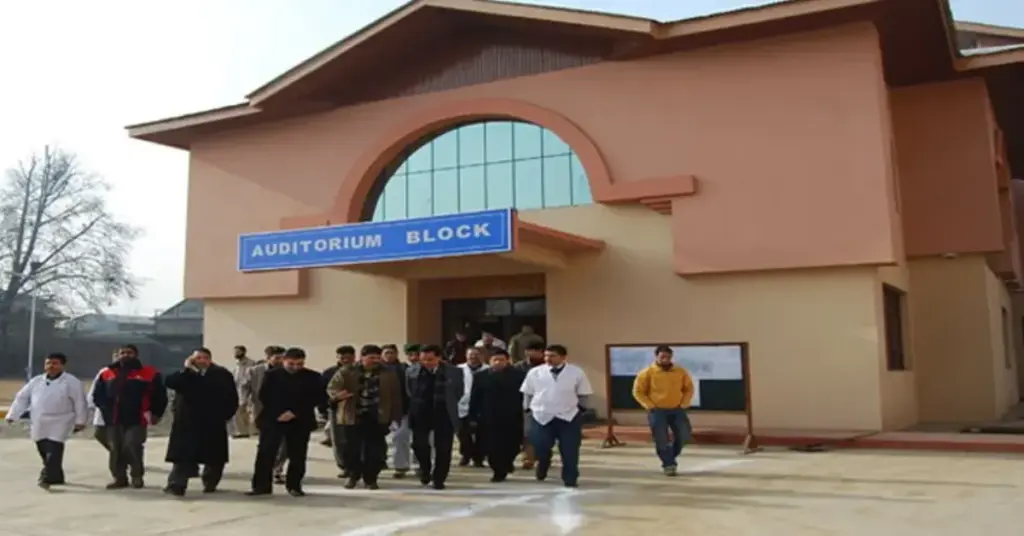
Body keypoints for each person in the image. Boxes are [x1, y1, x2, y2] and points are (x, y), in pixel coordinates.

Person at [248, 347, 326, 497]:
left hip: (300, 419)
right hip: (273, 418)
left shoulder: (313, 377)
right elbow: (264, 396)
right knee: (266, 453)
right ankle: (261, 486)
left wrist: (294, 413)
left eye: (299, 364)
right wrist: (279, 412)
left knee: (297, 454)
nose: (295, 367)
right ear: (283, 361)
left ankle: (294, 486)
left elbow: (317, 397)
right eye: (291, 364)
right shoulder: (271, 375)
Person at [92, 344, 168, 490]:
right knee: (115, 449)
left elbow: (160, 396)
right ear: (118, 355)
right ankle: (119, 478)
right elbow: (98, 394)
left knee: (132, 445)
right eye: (123, 353)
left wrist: (156, 413)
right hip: (113, 419)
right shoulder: (107, 373)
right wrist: (105, 409)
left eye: (129, 353)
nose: (126, 355)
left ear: (136, 355)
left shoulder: (149, 373)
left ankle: (137, 476)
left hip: (137, 418)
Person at [6, 353, 87, 489]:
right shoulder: (36, 381)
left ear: (62, 365)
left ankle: (46, 477)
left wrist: (81, 420)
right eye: (48, 363)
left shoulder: (72, 382)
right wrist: (12, 415)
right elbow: (22, 398)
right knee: (43, 448)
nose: (51, 366)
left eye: (55, 363)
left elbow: (80, 402)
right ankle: (56, 476)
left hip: (61, 420)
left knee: (54, 449)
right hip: (39, 420)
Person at [328, 344, 404, 490]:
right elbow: (332, 387)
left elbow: (395, 396)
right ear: (362, 357)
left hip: (377, 416)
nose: (375, 360)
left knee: (375, 450)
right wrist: (338, 395)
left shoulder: (388, 373)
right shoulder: (347, 370)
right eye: (371, 358)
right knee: (350, 449)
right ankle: (352, 475)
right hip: (352, 416)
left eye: (377, 357)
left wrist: (395, 416)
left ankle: (371, 479)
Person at [521, 344, 593, 488]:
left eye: (553, 356)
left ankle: (570, 478)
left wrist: (580, 409)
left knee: (569, 449)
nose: (548, 359)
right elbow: (527, 393)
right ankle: (543, 464)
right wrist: (528, 409)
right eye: (546, 355)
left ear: (563, 357)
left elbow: (584, 393)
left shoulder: (576, 372)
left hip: (568, 416)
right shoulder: (535, 372)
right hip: (541, 415)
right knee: (540, 446)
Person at [406, 344, 463, 490]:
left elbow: (458, 392)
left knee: (443, 449)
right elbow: (409, 391)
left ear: (439, 357)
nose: (426, 363)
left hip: (444, 413)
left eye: (430, 359)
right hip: (420, 412)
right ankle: (424, 469)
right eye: (423, 359)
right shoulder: (412, 371)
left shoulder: (454, 372)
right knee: (419, 446)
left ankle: (439, 479)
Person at [632, 345, 695, 476]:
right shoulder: (647, 373)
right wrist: (649, 405)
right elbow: (638, 391)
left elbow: (689, 388)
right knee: (661, 438)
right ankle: (669, 464)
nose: (665, 359)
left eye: (668, 357)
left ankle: (670, 455)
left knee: (684, 434)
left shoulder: (680, 371)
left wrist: (684, 403)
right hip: (657, 410)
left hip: (677, 409)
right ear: (657, 357)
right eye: (662, 357)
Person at [468, 349, 525, 482]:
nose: (498, 362)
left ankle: (507, 462)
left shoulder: (519, 375)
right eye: (495, 360)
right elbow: (475, 397)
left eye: (502, 360)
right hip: (489, 417)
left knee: (512, 445)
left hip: (512, 416)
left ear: (508, 361)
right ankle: (498, 470)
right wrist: (473, 416)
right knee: (491, 446)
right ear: (489, 361)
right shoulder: (480, 376)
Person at [246, 345, 288, 483]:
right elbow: (245, 388)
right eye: (277, 358)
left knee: (283, 443)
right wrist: (247, 405)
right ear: (268, 358)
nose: (280, 361)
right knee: (265, 443)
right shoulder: (255, 371)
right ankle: (265, 470)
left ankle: (277, 470)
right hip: (261, 411)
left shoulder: (286, 371)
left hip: (282, 412)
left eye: (282, 357)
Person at [321, 346, 356, 471]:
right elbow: (322, 393)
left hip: (357, 409)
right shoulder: (329, 373)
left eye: (349, 357)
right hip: (336, 409)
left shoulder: (360, 371)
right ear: (337, 357)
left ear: (354, 357)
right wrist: (323, 411)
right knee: (339, 440)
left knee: (355, 439)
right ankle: (344, 466)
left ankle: (356, 465)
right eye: (342, 358)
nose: (346, 360)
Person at [382, 343, 412, 478]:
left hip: (401, 410)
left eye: (391, 353)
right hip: (379, 410)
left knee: (400, 437)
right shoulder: (375, 369)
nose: (389, 355)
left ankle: (401, 466)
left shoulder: (404, 369)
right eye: (386, 353)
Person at [515, 340, 547, 470]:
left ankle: (544, 456)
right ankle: (528, 458)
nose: (531, 353)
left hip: (545, 404)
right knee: (527, 433)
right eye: (529, 351)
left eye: (535, 351)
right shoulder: (518, 367)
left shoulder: (547, 367)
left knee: (544, 433)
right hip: (525, 405)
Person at [456, 347, 488, 467]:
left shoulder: (488, 369)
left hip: (482, 406)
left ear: (482, 356)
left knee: (482, 434)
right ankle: (466, 455)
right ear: (466, 356)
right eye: (471, 355)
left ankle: (479, 458)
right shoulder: (458, 369)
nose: (473, 358)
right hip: (462, 405)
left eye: (476, 355)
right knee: (463, 434)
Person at [88, 350, 119, 452]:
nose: (118, 357)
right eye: (116, 355)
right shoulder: (105, 371)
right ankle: (118, 454)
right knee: (99, 434)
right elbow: (95, 388)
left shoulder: (134, 371)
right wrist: (91, 403)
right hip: (104, 409)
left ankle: (119, 458)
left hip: (121, 410)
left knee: (116, 438)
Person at [230, 345, 258, 438]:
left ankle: (251, 431)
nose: (235, 354)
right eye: (234, 352)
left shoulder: (251, 363)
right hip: (238, 390)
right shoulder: (236, 364)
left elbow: (252, 377)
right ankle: (242, 431)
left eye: (237, 351)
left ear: (243, 352)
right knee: (238, 411)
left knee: (248, 411)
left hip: (248, 390)